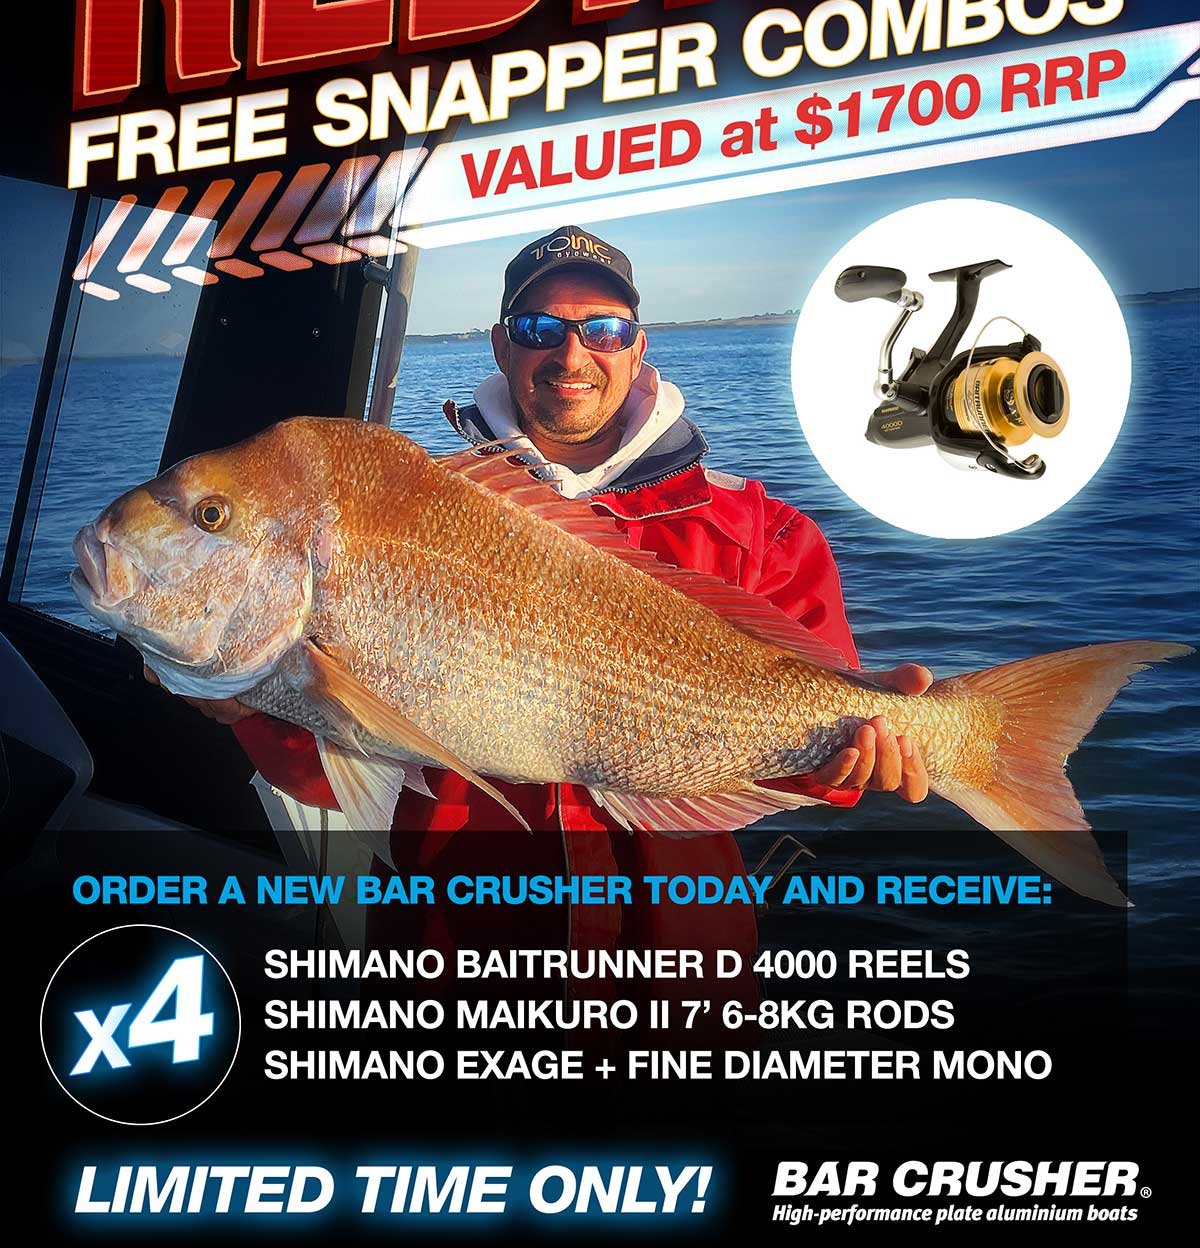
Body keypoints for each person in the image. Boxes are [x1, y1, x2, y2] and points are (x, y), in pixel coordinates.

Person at [168, 222, 931, 823]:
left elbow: (825, 773)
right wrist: (250, 708)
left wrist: (855, 762)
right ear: (502, 345)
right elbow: (335, 779)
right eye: (538, 328)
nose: (572, 353)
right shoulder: (415, 512)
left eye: (603, 329)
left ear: (637, 348)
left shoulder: (765, 530)